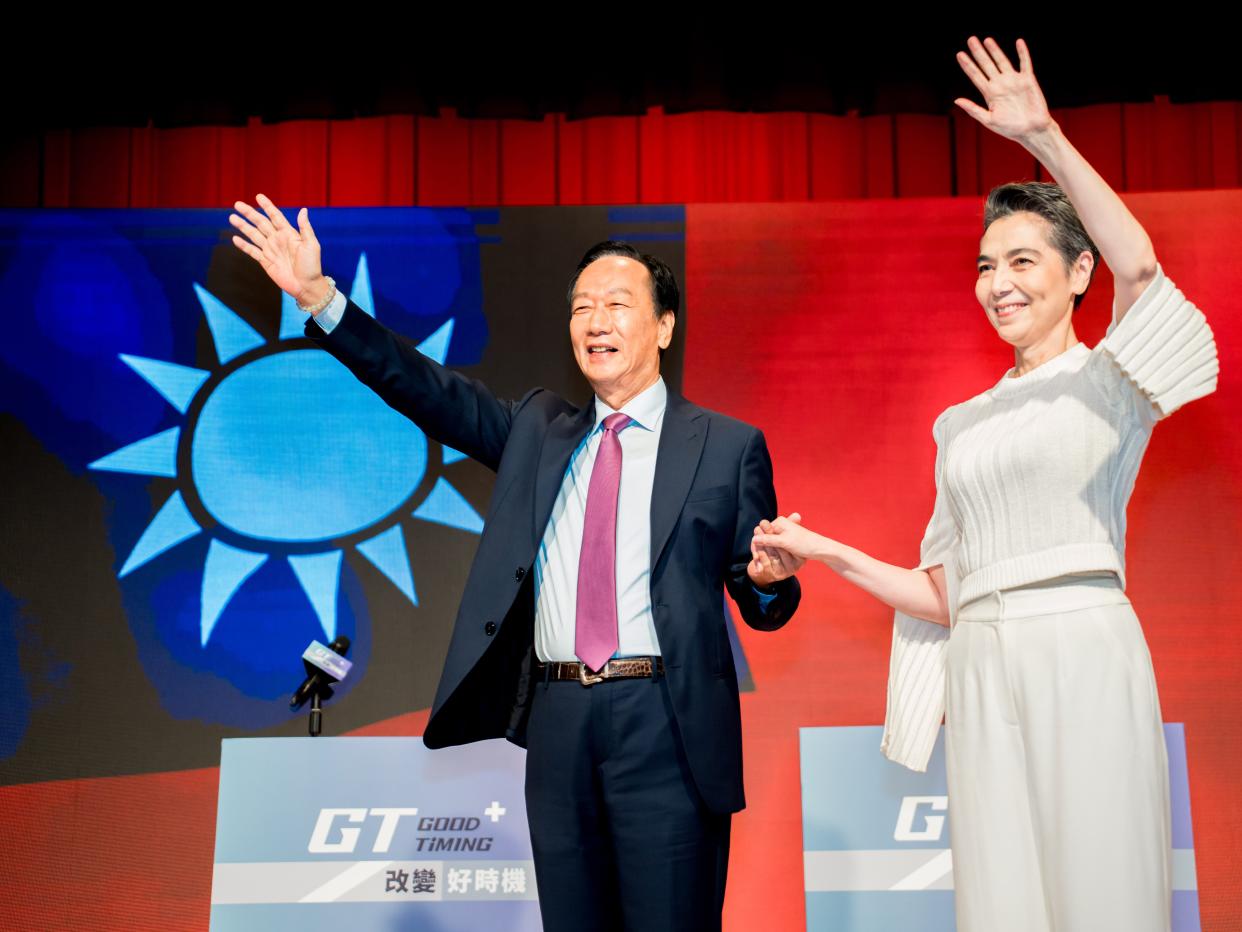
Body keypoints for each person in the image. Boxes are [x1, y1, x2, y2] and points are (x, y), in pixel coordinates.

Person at [752, 36, 1217, 932]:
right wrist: (824, 552)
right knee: (1003, 902)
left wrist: (1044, 138)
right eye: (984, 266)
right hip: (981, 659)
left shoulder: (1110, 380)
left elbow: (1144, 269)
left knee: (1104, 886)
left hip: (1080, 640)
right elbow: (946, 589)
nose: (997, 285)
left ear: (1077, 275)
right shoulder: (957, 425)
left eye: (1022, 262)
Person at [229, 207, 803, 932]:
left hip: (667, 724)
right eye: (582, 308)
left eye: (618, 305)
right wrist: (321, 301)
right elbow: (426, 390)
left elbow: (761, 597)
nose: (596, 321)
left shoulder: (726, 446)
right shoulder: (540, 430)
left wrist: (768, 579)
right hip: (560, 720)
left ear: (663, 327)